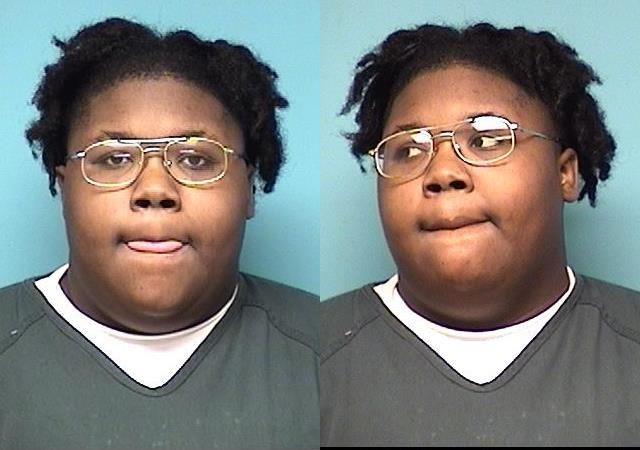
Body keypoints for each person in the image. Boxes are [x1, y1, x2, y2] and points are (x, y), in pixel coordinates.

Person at [0, 17, 318, 449]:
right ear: (64, 187)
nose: (154, 189)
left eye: (195, 159)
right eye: (114, 158)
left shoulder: (323, 350)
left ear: (249, 190)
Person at [321, 22, 640, 446]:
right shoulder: (313, 356)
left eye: (487, 140)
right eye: (409, 149)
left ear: (564, 173)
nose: (443, 172)